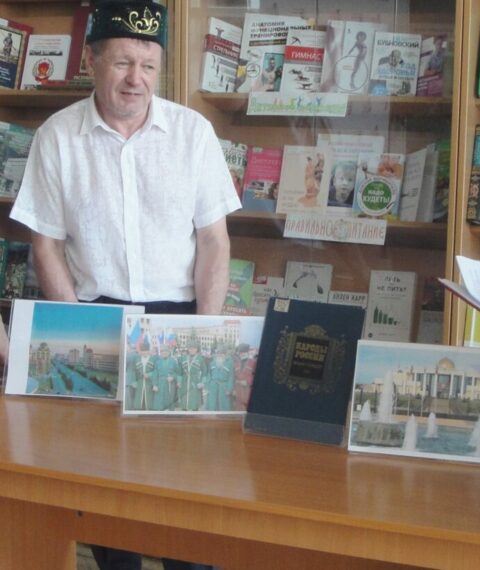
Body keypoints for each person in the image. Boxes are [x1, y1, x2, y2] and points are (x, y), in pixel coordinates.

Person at [9, 2, 238, 568]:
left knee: (190, 493)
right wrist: (74, 325)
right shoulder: (57, 137)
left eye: (149, 66)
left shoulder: (193, 133)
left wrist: (207, 331)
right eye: (122, 63)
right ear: (91, 61)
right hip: (97, 319)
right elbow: (46, 245)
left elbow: (214, 241)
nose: (137, 79)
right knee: (108, 495)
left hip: (182, 322)